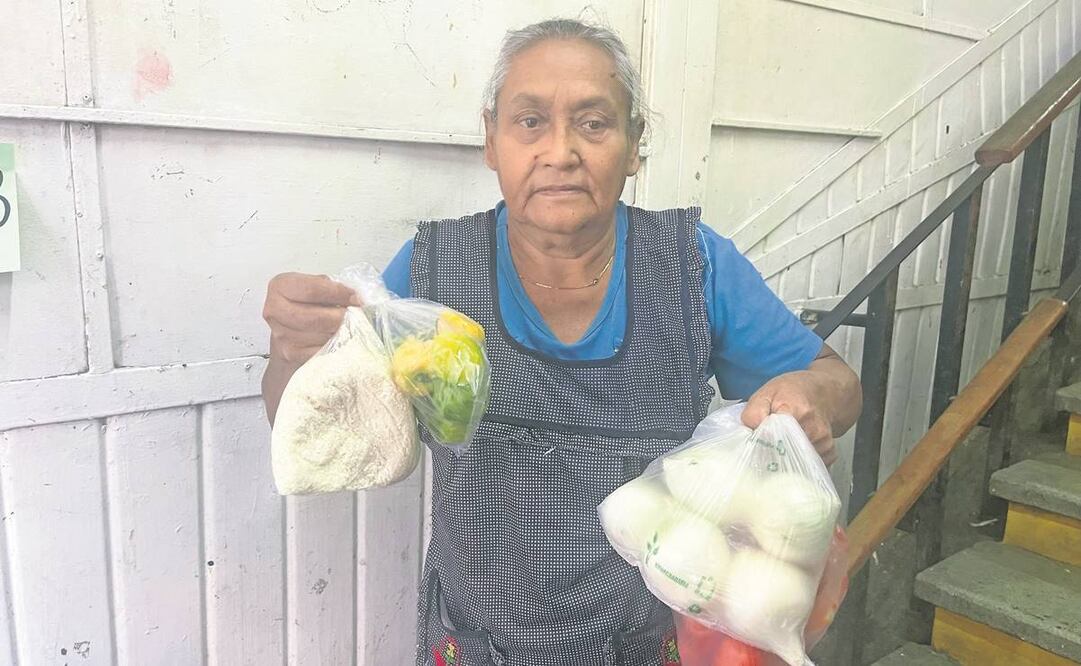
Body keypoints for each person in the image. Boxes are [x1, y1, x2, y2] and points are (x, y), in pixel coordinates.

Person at [261, 18, 861, 666]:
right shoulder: (431, 273)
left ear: (634, 145)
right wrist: (291, 356)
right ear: (491, 140)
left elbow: (838, 384)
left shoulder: (693, 266)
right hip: (478, 647)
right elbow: (301, 419)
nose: (560, 151)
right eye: (529, 122)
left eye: (594, 123)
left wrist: (806, 396)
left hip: (651, 648)